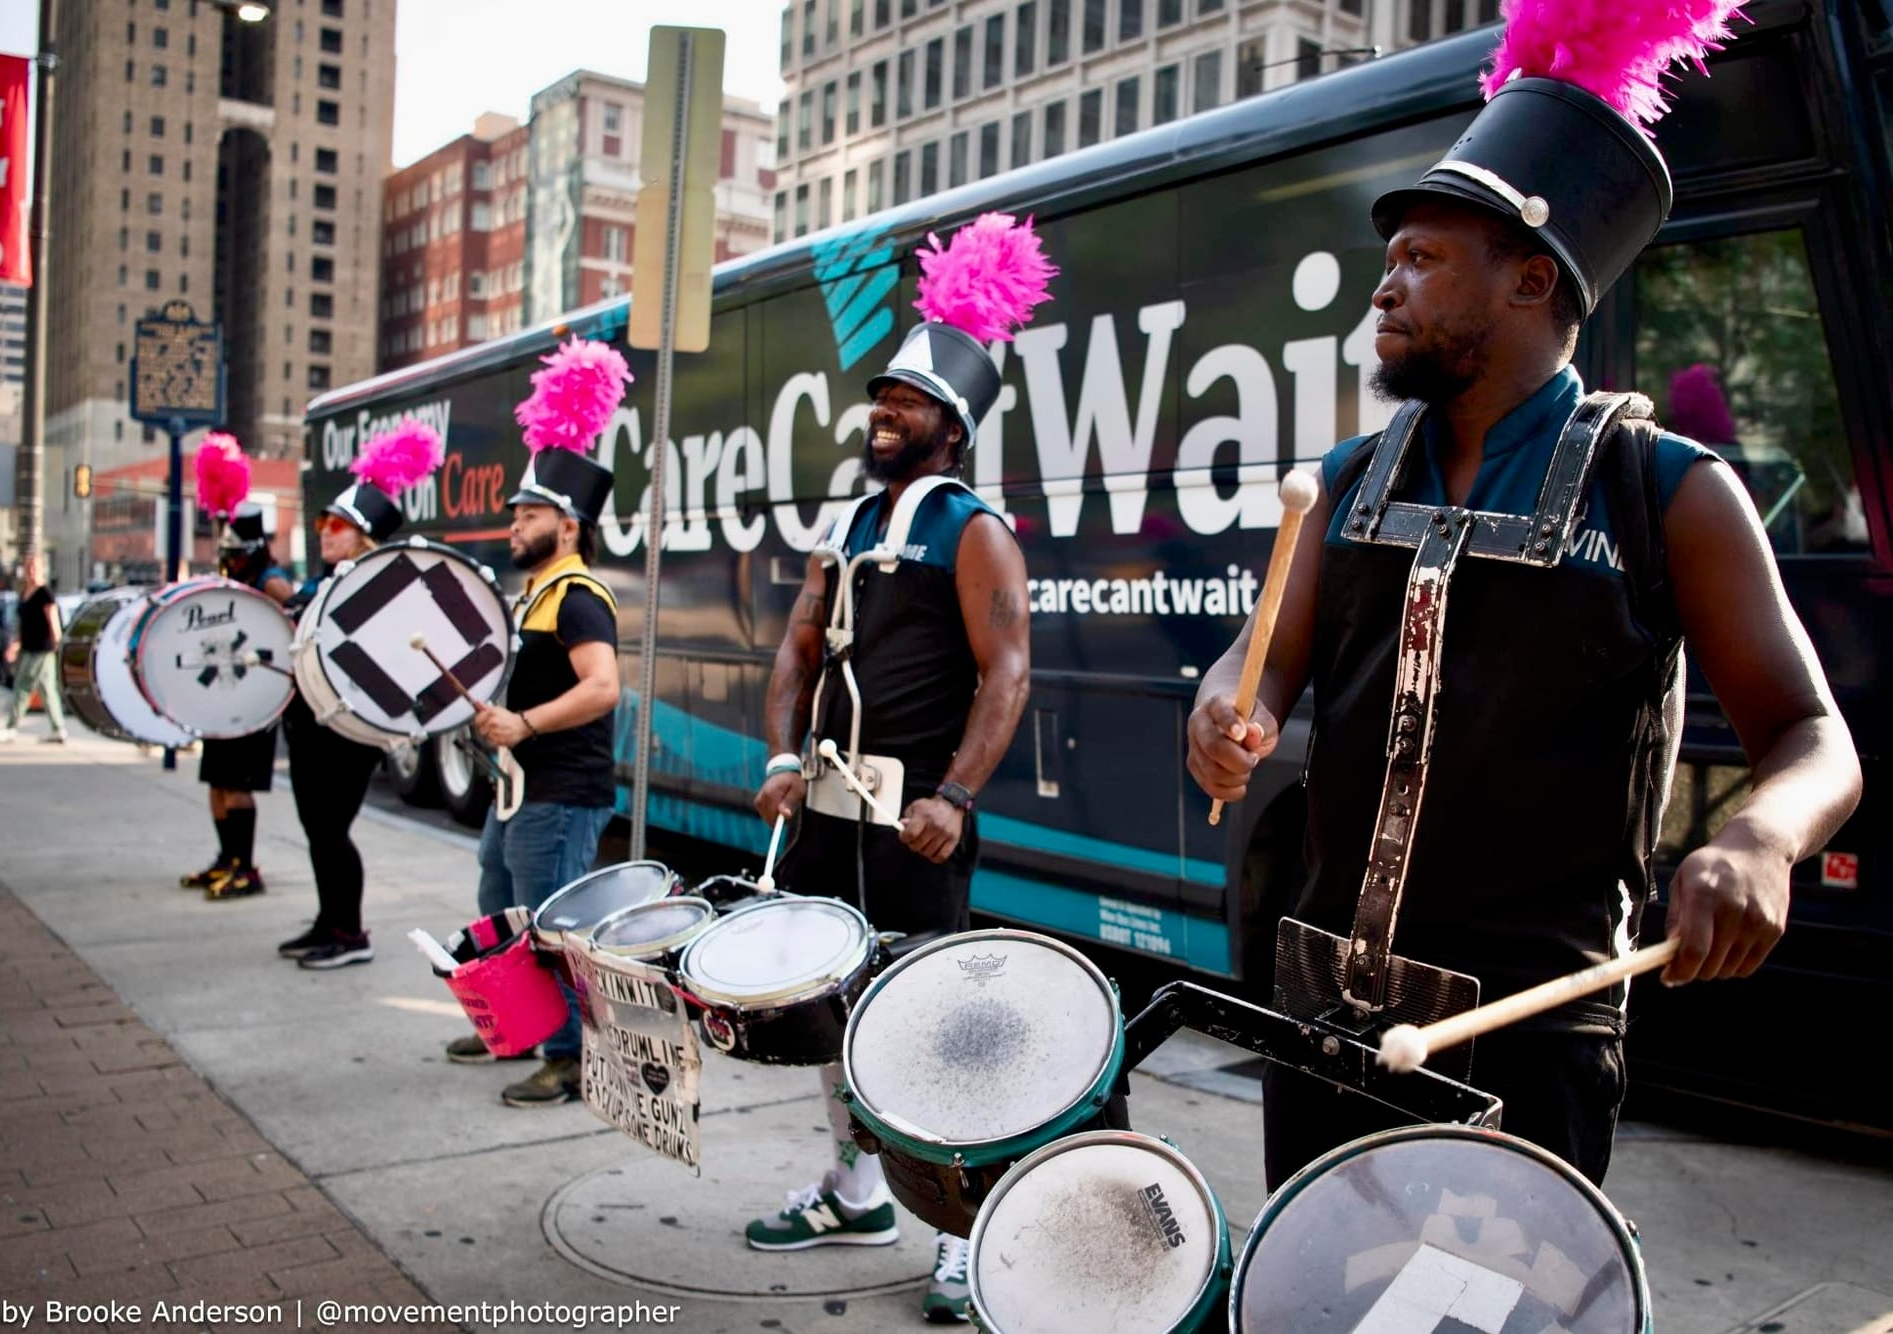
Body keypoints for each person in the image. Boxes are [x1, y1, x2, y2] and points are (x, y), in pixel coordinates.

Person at [1186, 21, 1863, 1194]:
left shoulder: (1669, 490)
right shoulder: (1345, 476)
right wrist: (1219, 712)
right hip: (1319, 1006)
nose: (1383, 287)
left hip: (1530, 1040)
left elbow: (1813, 738)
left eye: (1418, 258)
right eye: (1386, 261)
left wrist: (1758, 835)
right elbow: (1260, 659)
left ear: (1530, 278)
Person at [744, 215, 1046, 1324]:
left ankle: (967, 1229)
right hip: (825, 808)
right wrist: (782, 755)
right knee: (829, 1004)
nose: (881, 414)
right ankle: (854, 1183)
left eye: (904, 403)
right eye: (879, 399)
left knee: (928, 1026)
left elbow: (1006, 672)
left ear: (949, 426)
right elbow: (794, 647)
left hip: (913, 819)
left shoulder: (973, 530)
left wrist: (952, 795)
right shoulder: (848, 521)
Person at [442, 391, 622, 1109]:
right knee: (500, 906)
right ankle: (516, 1027)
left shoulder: (579, 596)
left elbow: (603, 687)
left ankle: (572, 1059)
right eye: (515, 515)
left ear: (568, 526)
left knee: (550, 928)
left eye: (529, 516)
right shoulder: (537, 596)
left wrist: (525, 724)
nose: (515, 526)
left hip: (561, 791)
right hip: (522, 790)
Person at [277, 425, 441, 969]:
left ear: (363, 537)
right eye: (323, 522)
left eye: (338, 525)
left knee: (330, 829)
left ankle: (350, 934)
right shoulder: (323, 583)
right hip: (308, 724)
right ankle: (329, 921)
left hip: (347, 731)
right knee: (316, 828)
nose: (323, 532)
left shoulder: (379, 587)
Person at [182, 501, 295, 901]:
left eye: (236, 555)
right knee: (216, 781)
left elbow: (295, 615)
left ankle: (246, 868)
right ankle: (227, 858)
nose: (231, 562)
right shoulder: (237, 579)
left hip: (254, 698)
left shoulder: (270, 580)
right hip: (224, 693)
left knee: (236, 784)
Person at [0, 555, 67, 744]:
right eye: (28, 567)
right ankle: (58, 729)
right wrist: (15, 646)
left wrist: (58, 644)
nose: (31, 571)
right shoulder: (24, 593)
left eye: (34, 567)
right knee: (47, 690)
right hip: (28, 646)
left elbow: (53, 621)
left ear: (41, 569)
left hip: (42, 649)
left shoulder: (45, 593)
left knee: (22, 686)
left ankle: (11, 728)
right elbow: (23, 625)